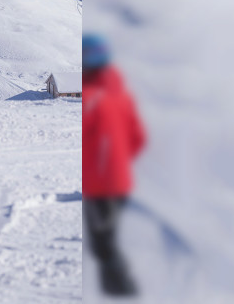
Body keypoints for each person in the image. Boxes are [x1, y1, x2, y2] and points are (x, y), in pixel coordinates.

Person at [82, 35, 146, 297]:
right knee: (106, 239)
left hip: (99, 184)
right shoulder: (121, 93)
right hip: (119, 182)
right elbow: (138, 138)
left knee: (103, 245)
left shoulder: (91, 96)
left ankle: (123, 291)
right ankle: (117, 289)